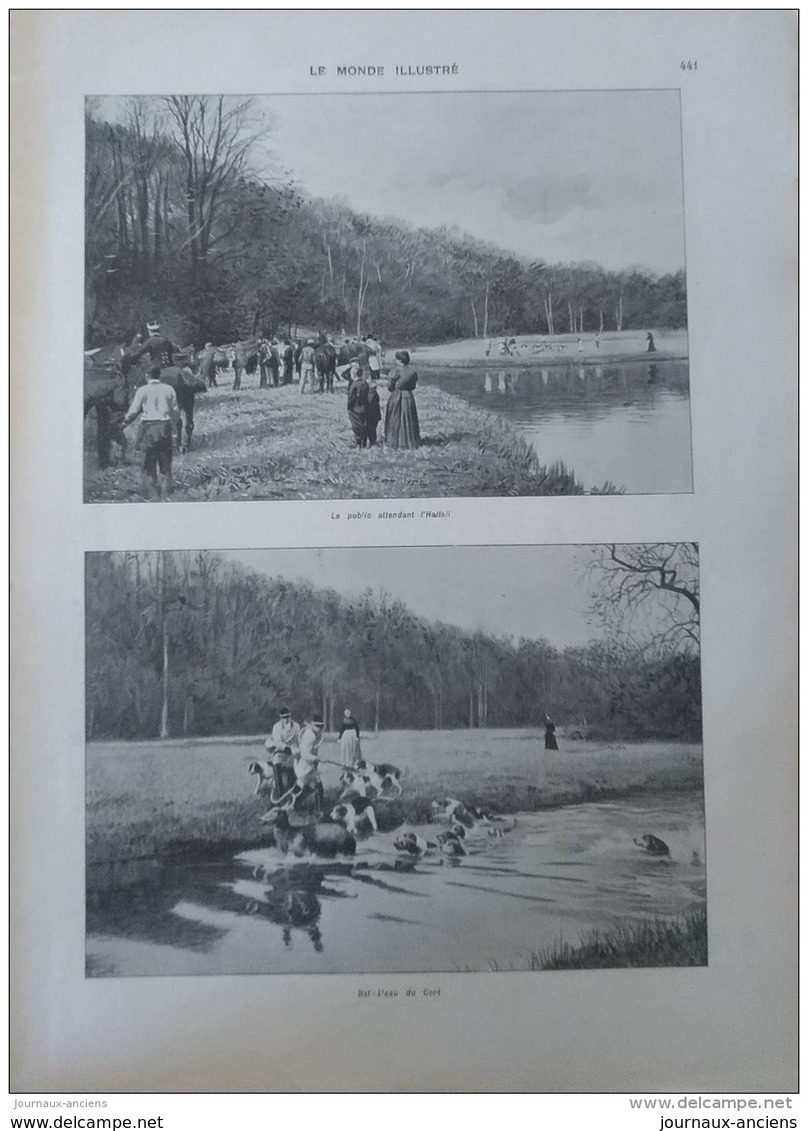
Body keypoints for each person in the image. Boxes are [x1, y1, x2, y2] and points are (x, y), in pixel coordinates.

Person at [122, 365, 180, 497]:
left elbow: (133, 412)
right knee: (165, 460)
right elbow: (175, 411)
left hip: (148, 429)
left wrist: (125, 422)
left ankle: (153, 492)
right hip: (165, 427)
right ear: (159, 375)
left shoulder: (142, 390)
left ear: (147, 375)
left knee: (148, 462)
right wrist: (173, 426)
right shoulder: (169, 389)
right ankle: (167, 491)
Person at [384, 350, 420, 449]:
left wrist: (391, 380)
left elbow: (390, 388)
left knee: (394, 419)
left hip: (396, 395)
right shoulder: (412, 372)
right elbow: (413, 386)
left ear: (400, 360)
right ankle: (410, 441)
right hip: (408, 396)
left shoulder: (395, 371)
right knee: (408, 419)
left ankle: (394, 442)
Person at [264, 707, 301, 797]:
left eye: (288, 717)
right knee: (277, 770)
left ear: (290, 716)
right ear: (281, 718)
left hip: (291, 754)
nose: (286, 719)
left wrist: (295, 749)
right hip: (280, 753)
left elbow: (298, 740)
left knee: (292, 777)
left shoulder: (296, 726)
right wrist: (285, 747)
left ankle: (295, 797)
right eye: (284, 718)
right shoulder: (276, 727)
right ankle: (279, 794)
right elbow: (277, 741)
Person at [293, 714, 326, 813]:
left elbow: (314, 751)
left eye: (321, 726)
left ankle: (319, 810)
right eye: (317, 726)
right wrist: (317, 758)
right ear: (312, 725)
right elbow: (304, 754)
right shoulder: (310, 736)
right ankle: (296, 806)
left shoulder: (316, 735)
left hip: (309, 766)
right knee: (307, 787)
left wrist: (316, 762)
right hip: (303, 766)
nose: (319, 728)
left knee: (317, 786)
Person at [346, 360, 370, 447]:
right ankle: (364, 442)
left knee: (356, 426)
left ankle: (359, 443)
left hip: (355, 408)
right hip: (365, 407)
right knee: (364, 425)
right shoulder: (365, 383)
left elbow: (351, 398)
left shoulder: (354, 385)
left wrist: (349, 408)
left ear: (354, 374)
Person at [366, 375, 381, 447]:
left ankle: (372, 443)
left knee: (370, 429)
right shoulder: (375, 394)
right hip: (376, 415)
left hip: (370, 415)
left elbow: (369, 403)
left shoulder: (371, 394)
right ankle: (373, 442)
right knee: (373, 429)